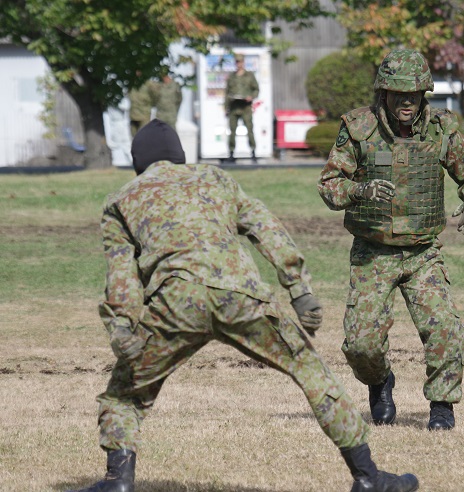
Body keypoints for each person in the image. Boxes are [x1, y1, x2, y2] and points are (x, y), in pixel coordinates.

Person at [70, 119, 419, 492]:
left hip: (176, 302)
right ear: (181, 157)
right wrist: (298, 289)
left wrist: (122, 326)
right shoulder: (215, 179)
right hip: (242, 295)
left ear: (137, 162)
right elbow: (263, 226)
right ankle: (367, 476)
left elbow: (121, 272)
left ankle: (117, 481)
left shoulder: (122, 199)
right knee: (312, 372)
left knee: (124, 393)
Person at [317, 49, 464, 431]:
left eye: (414, 95)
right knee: (361, 343)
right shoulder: (359, 128)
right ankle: (380, 383)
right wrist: (360, 190)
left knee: (445, 329)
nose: (407, 103)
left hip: (422, 253)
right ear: (383, 94)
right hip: (372, 252)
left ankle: (442, 405)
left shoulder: (440, 129)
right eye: (399, 95)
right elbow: (330, 186)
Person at [224, 53, 259, 161]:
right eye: (237, 62)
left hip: (246, 107)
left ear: (243, 62)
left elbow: (256, 89)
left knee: (249, 129)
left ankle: (253, 151)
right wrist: (226, 107)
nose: (239, 64)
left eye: (240, 62)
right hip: (234, 107)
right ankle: (231, 152)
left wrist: (251, 97)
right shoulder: (232, 76)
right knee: (232, 131)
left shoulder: (249, 75)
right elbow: (227, 93)